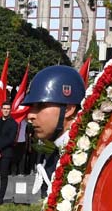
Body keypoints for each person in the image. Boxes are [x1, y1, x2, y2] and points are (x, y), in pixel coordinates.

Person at [23, 65, 85, 200]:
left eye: (40, 106)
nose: (30, 115)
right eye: (31, 107)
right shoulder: (55, 156)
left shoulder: (90, 156)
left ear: (68, 109)